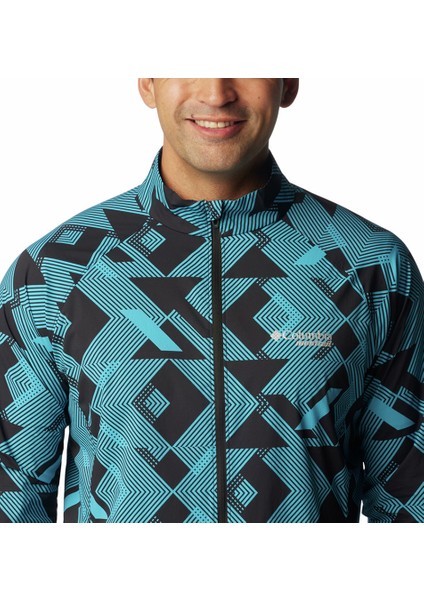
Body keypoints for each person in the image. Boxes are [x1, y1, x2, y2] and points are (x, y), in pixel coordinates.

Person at [0, 78, 422, 523]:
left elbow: (410, 499)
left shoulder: (370, 266)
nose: (217, 94)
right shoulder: (56, 271)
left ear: (288, 84)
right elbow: (12, 498)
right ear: (148, 83)